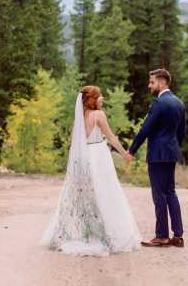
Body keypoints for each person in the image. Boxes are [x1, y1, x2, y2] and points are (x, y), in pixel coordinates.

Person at [40, 85, 140, 256]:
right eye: (100, 96)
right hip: (99, 157)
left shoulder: (78, 119)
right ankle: (106, 233)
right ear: (93, 99)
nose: (102, 98)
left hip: (83, 158)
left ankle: (81, 232)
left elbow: (74, 142)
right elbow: (111, 137)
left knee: (86, 195)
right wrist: (125, 153)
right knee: (106, 193)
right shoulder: (98, 115)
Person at [128, 68, 186, 248]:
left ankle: (161, 235)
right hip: (171, 152)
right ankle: (178, 236)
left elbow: (145, 129)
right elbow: (181, 132)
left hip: (157, 154)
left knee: (159, 194)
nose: (149, 85)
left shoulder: (159, 103)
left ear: (162, 81)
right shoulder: (179, 103)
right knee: (171, 192)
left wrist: (132, 150)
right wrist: (173, 147)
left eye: (152, 82)